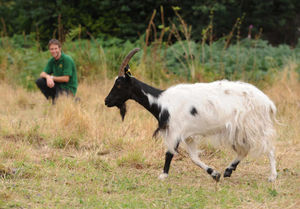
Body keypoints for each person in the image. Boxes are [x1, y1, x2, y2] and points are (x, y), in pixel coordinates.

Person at [35, 39, 78, 104]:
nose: (54, 51)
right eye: (51, 49)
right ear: (49, 50)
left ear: (60, 48)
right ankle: (52, 99)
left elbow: (66, 79)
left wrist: (51, 77)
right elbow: (42, 73)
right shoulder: (52, 60)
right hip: (58, 86)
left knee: (61, 104)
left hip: (68, 88)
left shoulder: (67, 59)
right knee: (40, 81)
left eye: (55, 48)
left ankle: (74, 100)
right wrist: (48, 77)